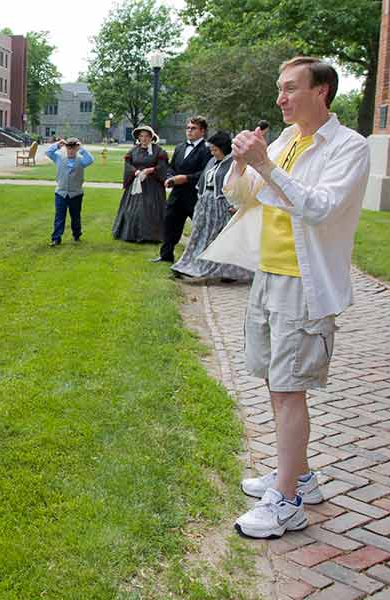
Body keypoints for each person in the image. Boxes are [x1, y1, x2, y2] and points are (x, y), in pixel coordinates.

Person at [201, 57, 369, 538]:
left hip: (304, 283)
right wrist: (240, 164)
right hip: (269, 275)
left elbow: (319, 208)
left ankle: (288, 500)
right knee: (276, 382)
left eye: (290, 89)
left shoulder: (348, 148)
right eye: (279, 89)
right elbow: (240, 198)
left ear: (323, 91)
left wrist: (265, 165)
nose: (280, 99)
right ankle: (300, 475)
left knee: (290, 388)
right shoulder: (286, 139)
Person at [170, 131, 253, 282]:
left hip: (222, 207)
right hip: (206, 204)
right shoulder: (212, 161)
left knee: (220, 240)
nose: (212, 152)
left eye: (215, 149)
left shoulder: (233, 164)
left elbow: (238, 187)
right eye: (212, 149)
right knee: (199, 236)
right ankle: (188, 265)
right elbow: (204, 181)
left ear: (223, 148)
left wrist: (236, 206)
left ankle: (226, 272)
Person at [152, 116, 211, 263]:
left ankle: (201, 259)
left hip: (195, 195)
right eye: (188, 128)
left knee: (200, 227)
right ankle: (166, 255)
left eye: (193, 128)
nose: (189, 131)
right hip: (177, 194)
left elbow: (205, 173)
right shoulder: (179, 147)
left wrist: (185, 178)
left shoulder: (207, 149)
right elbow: (171, 168)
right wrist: (170, 178)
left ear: (202, 131)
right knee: (170, 223)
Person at [111, 125, 169, 243]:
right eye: (141, 136)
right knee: (133, 209)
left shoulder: (159, 151)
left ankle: (151, 236)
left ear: (152, 137)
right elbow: (128, 164)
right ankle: (131, 233)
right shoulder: (133, 150)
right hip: (136, 183)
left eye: (147, 136)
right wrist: (135, 171)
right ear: (138, 137)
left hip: (153, 185)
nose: (144, 138)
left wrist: (151, 170)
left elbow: (163, 166)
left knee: (150, 209)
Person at [46, 137, 94, 246]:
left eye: (73, 148)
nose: (71, 151)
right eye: (68, 148)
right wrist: (58, 144)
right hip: (61, 193)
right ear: (65, 148)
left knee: (75, 216)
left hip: (76, 193)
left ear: (76, 148)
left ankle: (77, 234)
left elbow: (91, 159)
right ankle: (56, 238)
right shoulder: (59, 157)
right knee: (59, 216)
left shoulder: (81, 160)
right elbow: (48, 152)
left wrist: (81, 148)